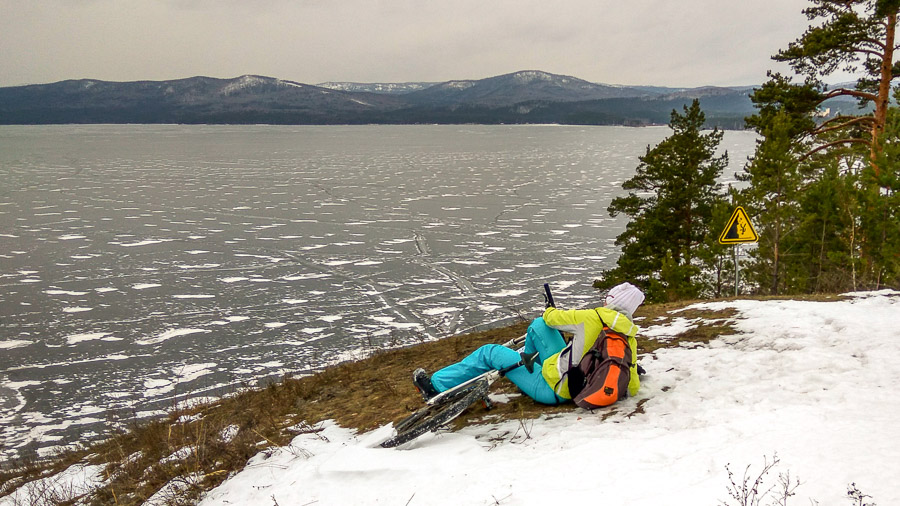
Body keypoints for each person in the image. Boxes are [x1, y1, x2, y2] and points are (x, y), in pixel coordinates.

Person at [412, 282, 645, 405]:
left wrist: (551, 308)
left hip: (552, 389)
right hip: (581, 387)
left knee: (488, 352)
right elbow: (632, 386)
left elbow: (550, 318)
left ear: (611, 300)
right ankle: (527, 366)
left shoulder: (591, 317)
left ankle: (436, 386)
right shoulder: (628, 335)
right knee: (536, 326)